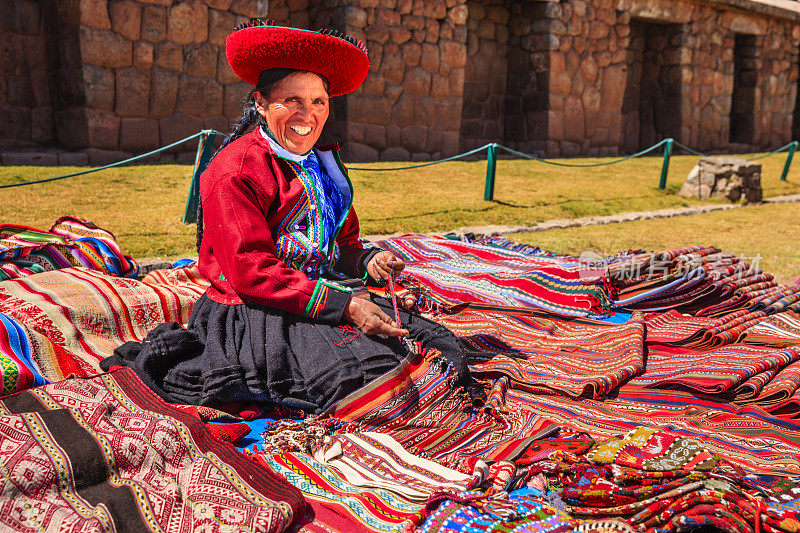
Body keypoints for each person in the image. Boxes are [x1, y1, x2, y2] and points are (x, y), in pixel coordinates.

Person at [101, 21, 469, 414]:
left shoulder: (320, 166)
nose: (306, 115)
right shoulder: (234, 170)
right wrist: (347, 306)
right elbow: (252, 271)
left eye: (318, 102)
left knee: (440, 349)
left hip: (321, 296)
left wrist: (367, 261)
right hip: (257, 313)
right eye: (291, 100)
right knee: (373, 380)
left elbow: (339, 247)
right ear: (260, 103)